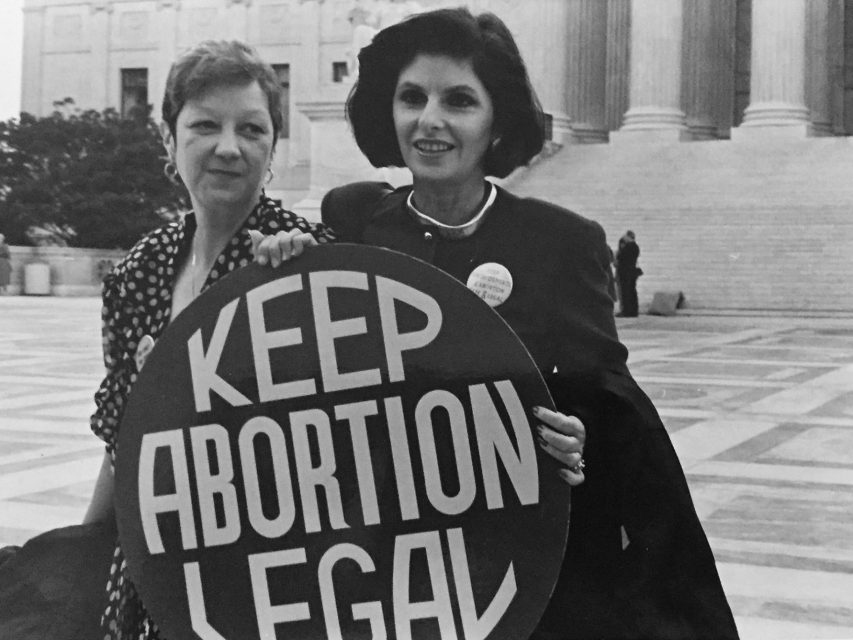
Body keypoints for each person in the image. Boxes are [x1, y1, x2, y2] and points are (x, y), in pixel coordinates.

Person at [307, 8, 736, 639]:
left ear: (498, 121)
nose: (430, 120)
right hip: (391, 568)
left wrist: (579, 434)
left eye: (459, 101)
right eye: (411, 97)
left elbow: (606, 399)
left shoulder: (562, 242)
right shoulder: (352, 223)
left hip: (519, 569)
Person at [82, 40, 335, 639]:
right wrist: (82, 550)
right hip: (152, 568)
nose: (228, 147)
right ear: (169, 140)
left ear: (273, 146)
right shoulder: (140, 271)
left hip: (269, 580)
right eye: (204, 126)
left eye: (251, 129)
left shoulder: (309, 261)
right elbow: (123, 444)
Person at [616, 229, 641, 317]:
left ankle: (626, 311)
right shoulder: (636, 247)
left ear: (628, 237)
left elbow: (620, 257)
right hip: (632, 272)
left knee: (626, 292)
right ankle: (634, 311)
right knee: (632, 291)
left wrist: (621, 247)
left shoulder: (628, 247)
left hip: (625, 272)